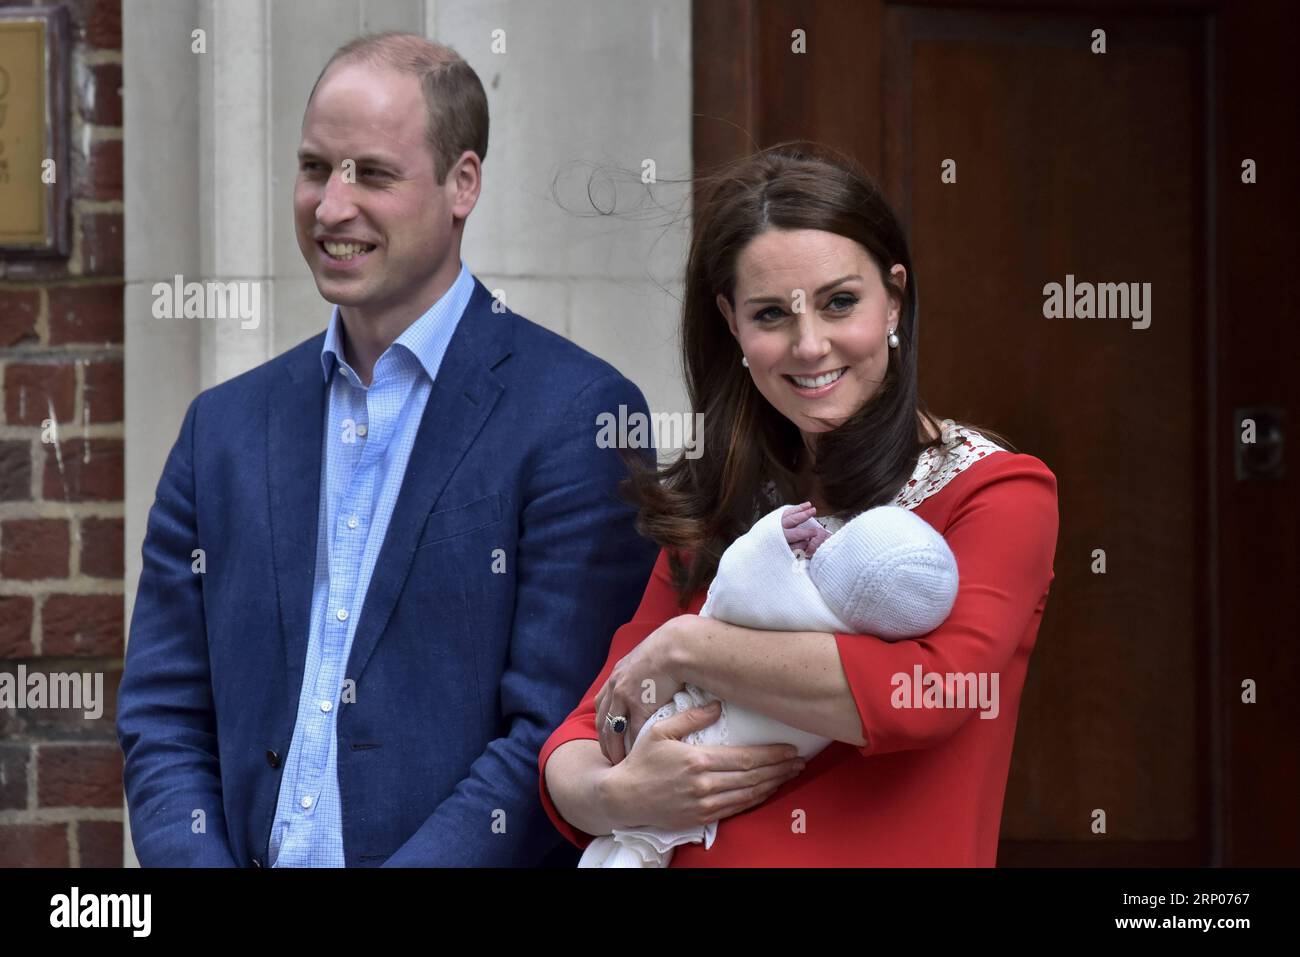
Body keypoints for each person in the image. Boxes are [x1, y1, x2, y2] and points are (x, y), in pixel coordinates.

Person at [117, 32, 657, 867]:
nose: (332, 207)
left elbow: (555, 727)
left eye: (372, 173)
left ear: (461, 184)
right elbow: (164, 711)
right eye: (313, 168)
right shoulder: (220, 429)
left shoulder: (578, 416)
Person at [539, 143, 1059, 867]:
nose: (810, 344)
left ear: (895, 299)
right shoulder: (726, 501)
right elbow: (581, 736)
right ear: (732, 324)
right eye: (772, 314)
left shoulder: (995, 490)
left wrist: (688, 647)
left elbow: (928, 692)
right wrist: (621, 795)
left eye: (840, 301)